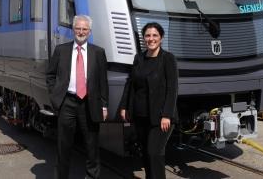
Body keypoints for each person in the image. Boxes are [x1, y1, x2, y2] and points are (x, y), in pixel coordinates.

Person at [46, 15, 108, 179]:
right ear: (73, 30)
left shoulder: (98, 52)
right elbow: (50, 75)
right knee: (63, 146)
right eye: (78, 28)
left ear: (90, 31)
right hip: (67, 102)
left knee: (91, 147)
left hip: (90, 103)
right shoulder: (61, 50)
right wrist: (55, 96)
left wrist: (104, 105)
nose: (81, 32)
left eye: (84, 29)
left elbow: (103, 82)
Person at [119, 22, 178, 179]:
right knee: (145, 153)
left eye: (155, 35)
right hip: (140, 116)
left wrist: (167, 114)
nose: (151, 39)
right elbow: (130, 84)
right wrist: (124, 106)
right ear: (143, 38)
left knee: (154, 153)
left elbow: (172, 88)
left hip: (160, 118)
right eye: (147, 35)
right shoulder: (139, 58)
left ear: (161, 38)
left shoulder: (168, 59)